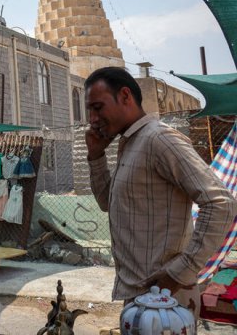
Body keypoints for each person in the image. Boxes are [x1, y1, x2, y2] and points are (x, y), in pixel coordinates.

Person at [84, 66, 237, 317]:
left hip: (166, 301)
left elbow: (221, 203)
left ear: (125, 96)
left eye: (97, 107)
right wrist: (96, 155)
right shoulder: (132, 144)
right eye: (89, 110)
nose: (92, 119)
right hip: (143, 298)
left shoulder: (159, 139)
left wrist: (180, 272)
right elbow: (106, 203)